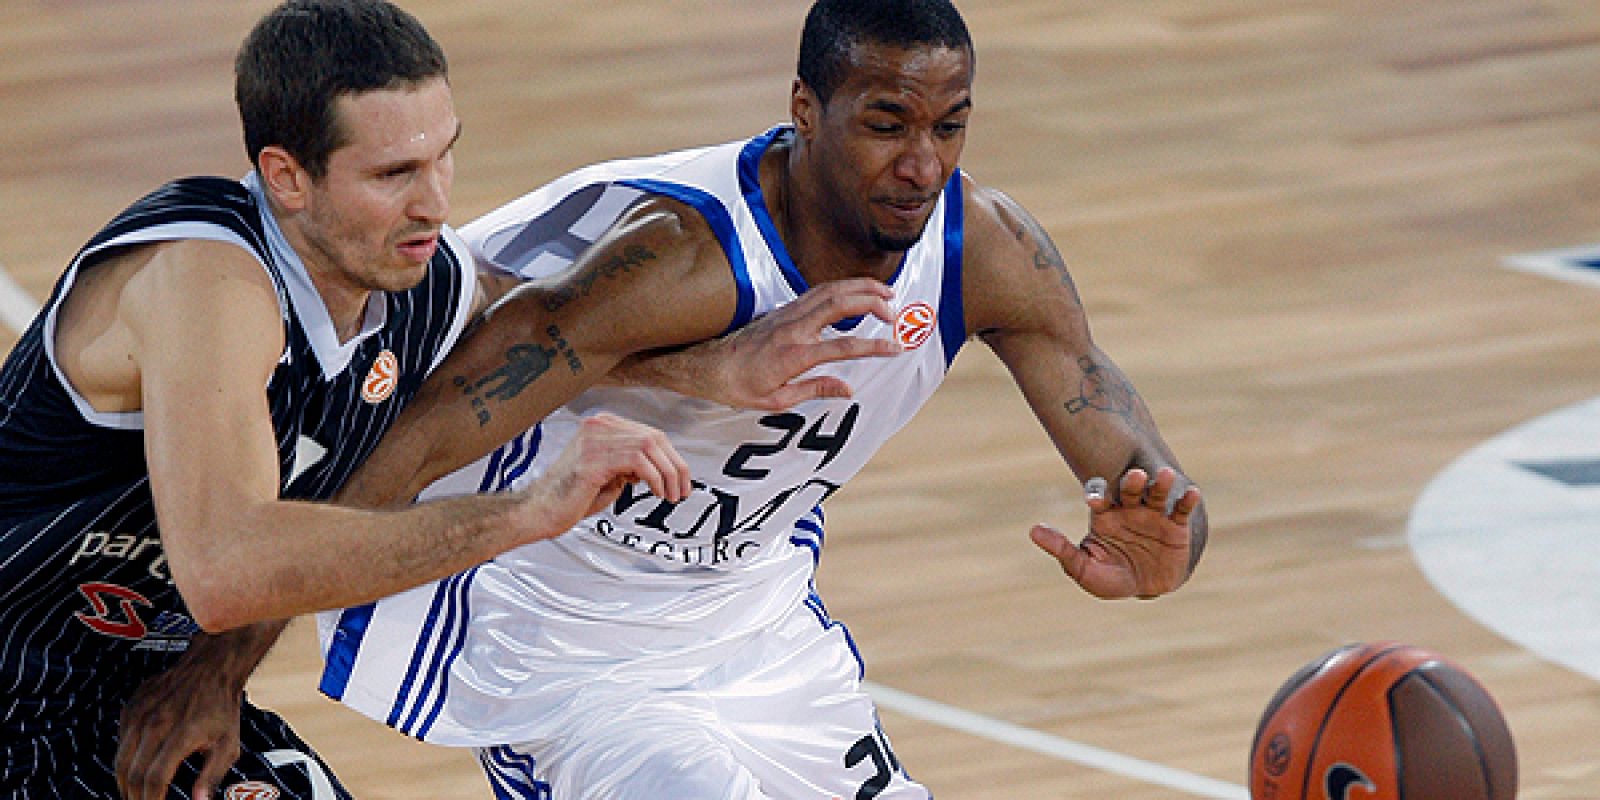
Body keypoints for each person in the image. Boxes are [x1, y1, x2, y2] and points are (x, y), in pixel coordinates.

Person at [132, 0, 1208, 796]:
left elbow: (1124, 442)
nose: (920, 165)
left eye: (950, 127)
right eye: (887, 124)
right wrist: (218, 671)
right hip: (564, 637)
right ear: (804, 110)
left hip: (755, 625)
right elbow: (414, 444)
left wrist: (1168, 539)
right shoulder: (679, 261)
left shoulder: (991, 251)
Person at [0, 1, 897, 798]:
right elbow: (229, 567)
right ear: (285, 176)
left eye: (445, 157)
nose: (433, 203)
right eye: (393, 175)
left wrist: (709, 372)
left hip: (123, 689)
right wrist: (526, 513)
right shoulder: (206, 282)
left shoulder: (420, 281)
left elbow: (543, 329)